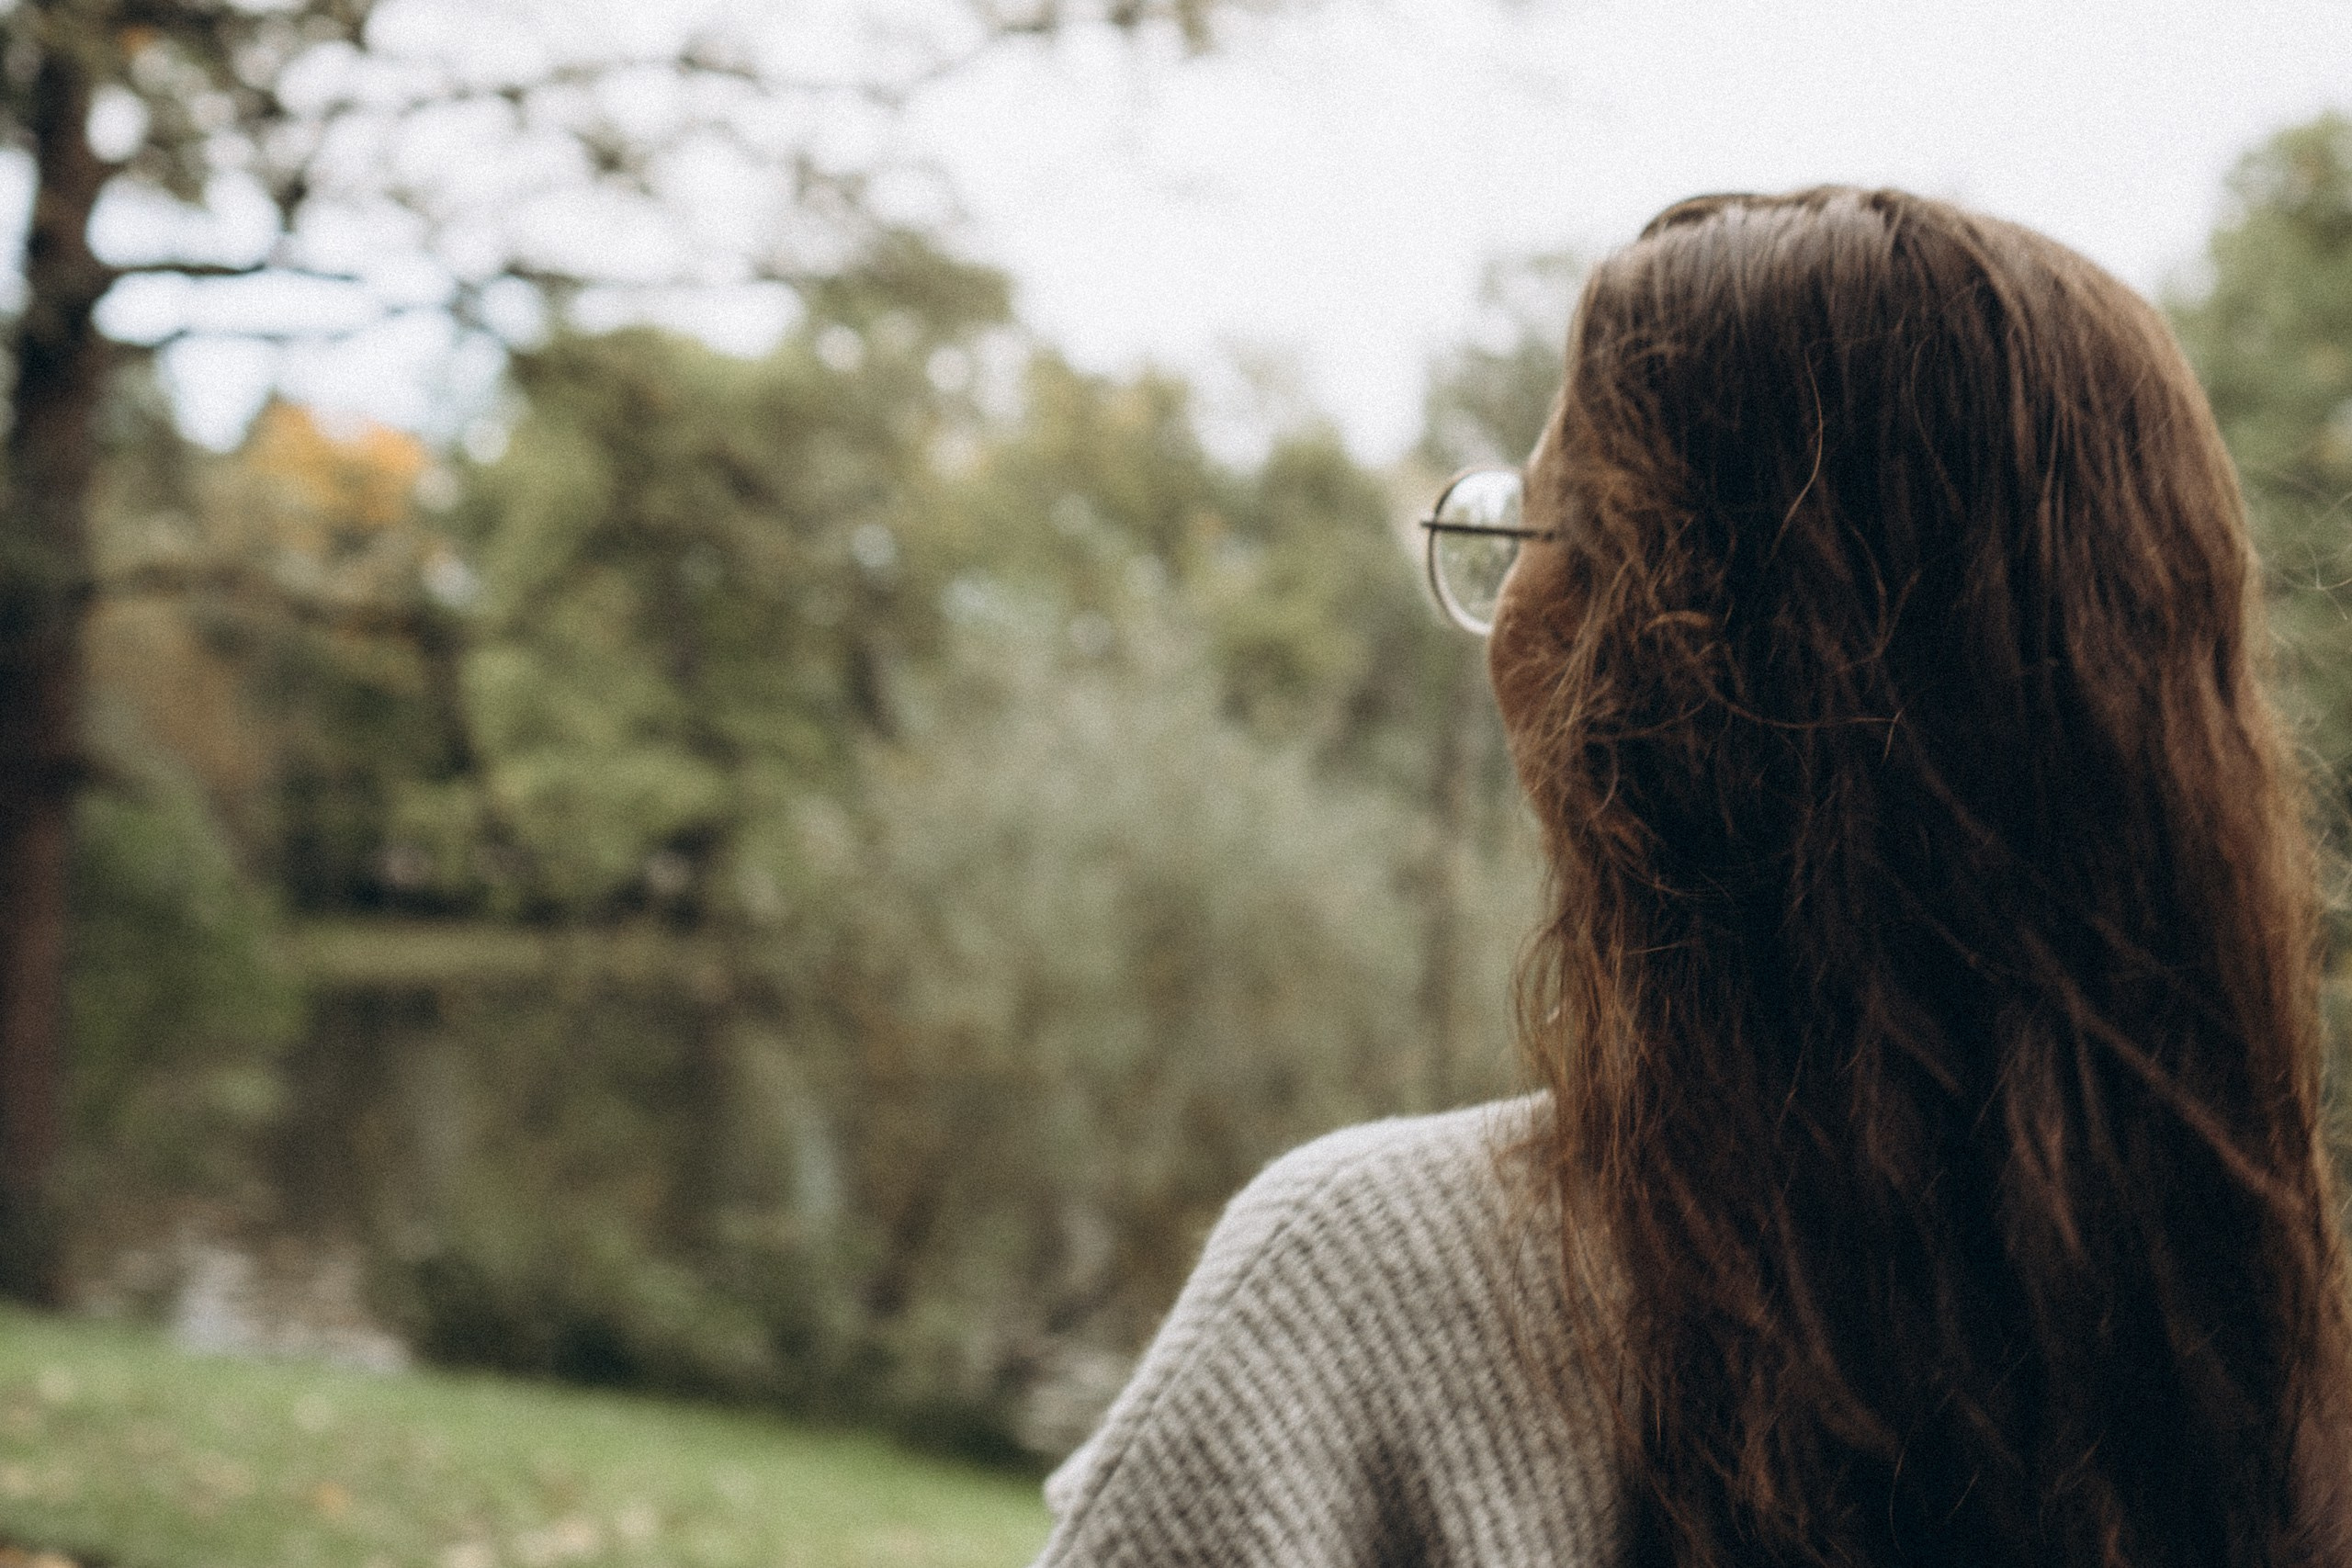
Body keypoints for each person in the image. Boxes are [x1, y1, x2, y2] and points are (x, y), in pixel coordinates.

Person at [1031, 186, 2352, 1568]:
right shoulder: (2257, 1407)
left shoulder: (1367, 1290)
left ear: (1642, 669)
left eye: (1534, 535)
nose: (1506, 624)